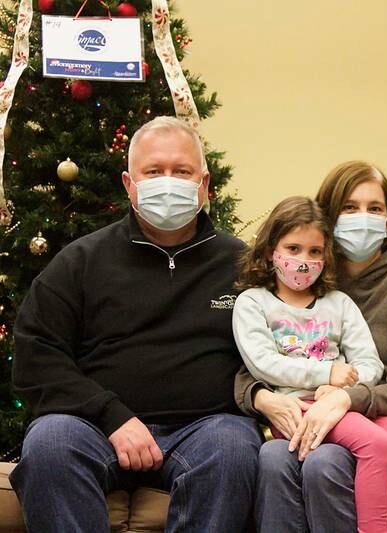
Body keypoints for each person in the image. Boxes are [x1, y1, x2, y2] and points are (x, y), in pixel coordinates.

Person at [10, 116, 263, 532]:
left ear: (204, 183)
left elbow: (281, 345)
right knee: (49, 444)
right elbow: (36, 355)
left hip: (205, 428)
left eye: (181, 172)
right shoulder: (79, 261)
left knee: (235, 447)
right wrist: (112, 417)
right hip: (92, 426)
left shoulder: (243, 266)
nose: (168, 182)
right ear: (129, 184)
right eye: (153, 171)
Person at [235, 160, 387, 532]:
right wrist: (260, 396)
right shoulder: (308, 282)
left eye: (375, 209)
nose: (363, 218)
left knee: (328, 465)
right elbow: (259, 360)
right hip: (323, 416)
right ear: (328, 220)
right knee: (275, 456)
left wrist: (345, 397)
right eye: (350, 208)